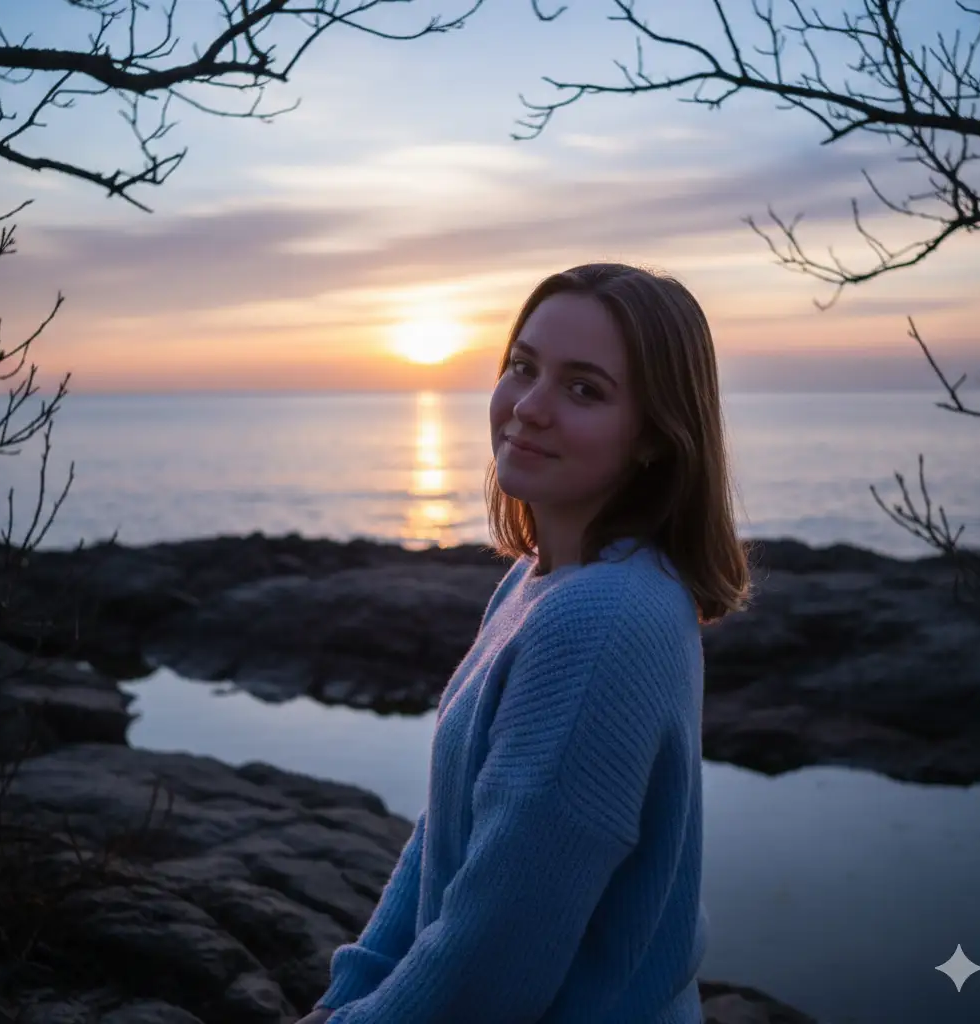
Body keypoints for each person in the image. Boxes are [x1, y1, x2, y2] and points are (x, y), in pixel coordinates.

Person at [297, 262, 752, 1024]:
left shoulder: (603, 622)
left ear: (653, 437)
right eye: (522, 367)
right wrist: (349, 995)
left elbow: (492, 961)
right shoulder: (537, 583)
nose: (528, 408)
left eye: (584, 389)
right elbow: (448, 837)